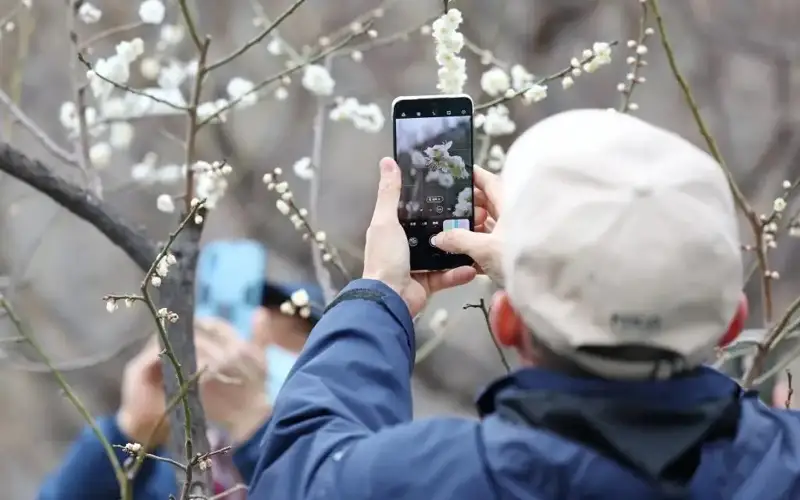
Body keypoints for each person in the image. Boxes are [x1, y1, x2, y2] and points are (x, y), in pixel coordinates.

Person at [249, 109, 800, 499]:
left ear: (508, 321)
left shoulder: (430, 478)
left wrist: (379, 295)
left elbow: (301, 470)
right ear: (733, 321)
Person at [38, 278, 322, 500]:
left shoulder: (348, 451)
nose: (255, 354)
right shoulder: (177, 475)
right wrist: (130, 433)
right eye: (250, 334)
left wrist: (259, 428)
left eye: (295, 336)